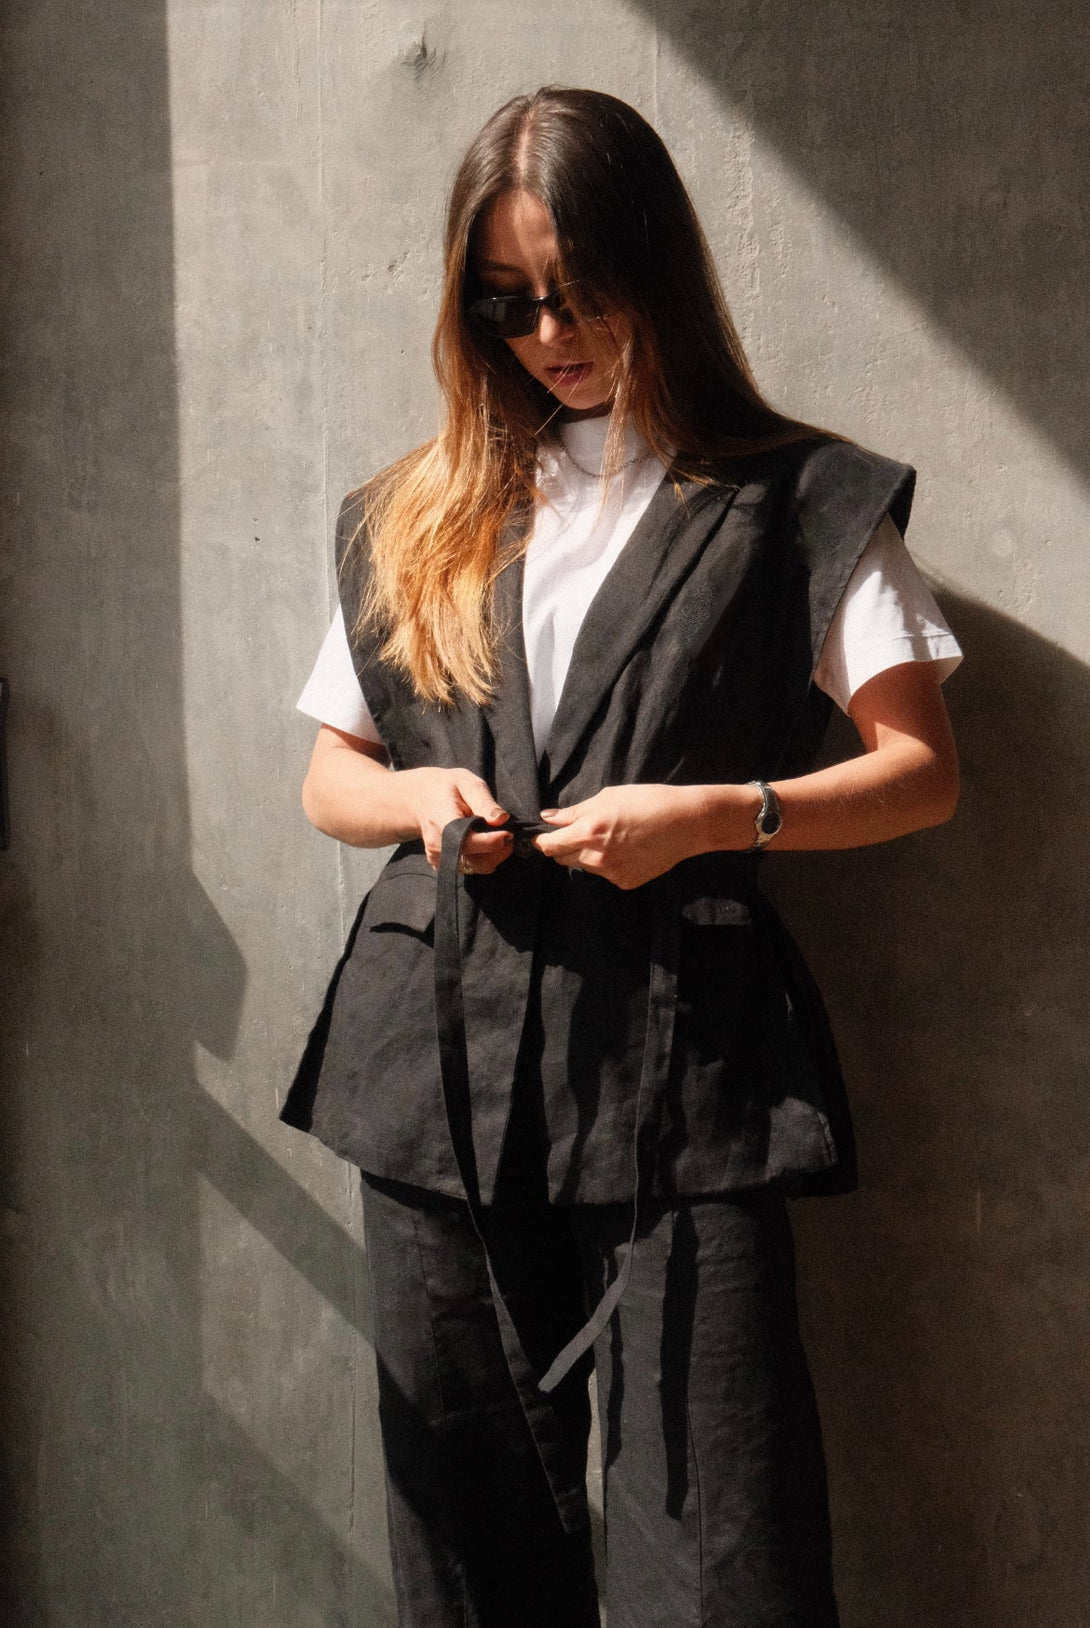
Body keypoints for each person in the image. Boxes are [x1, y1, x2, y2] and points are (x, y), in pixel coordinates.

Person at [281, 87, 961, 1628]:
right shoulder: (417, 511)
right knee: (465, 1535)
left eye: (576, 291)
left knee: (718, 1538)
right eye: (505, 302)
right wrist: (422, 799)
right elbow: (330, 778)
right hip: (435, 1068)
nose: (549, 335)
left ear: (655, 266)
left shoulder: (799, 500)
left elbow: (919, 774)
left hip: (682, 1069)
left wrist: (719, 814)